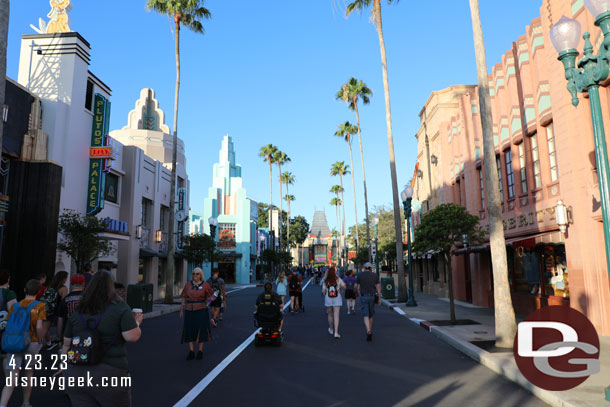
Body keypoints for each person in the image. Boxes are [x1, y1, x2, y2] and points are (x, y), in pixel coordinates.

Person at [61, 270, 142, 407]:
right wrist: (137, 323)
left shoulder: (78, 311)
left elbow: (66, 345)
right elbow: (131, 336)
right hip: (110, 373)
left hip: (76, 373)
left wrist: (64, 368)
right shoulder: (120, 308)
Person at [0, 279, 46, 407]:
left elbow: (9, 324)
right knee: (29, 372)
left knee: (11, 379)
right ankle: (26, 402)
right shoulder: (40, 306)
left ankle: (3, 404)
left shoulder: (15, 306)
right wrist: (42, 339)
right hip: (32, 343)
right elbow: (39, 327)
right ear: (38, 292)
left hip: (14, 343)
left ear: (25, 290)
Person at [180, 267, 214, 360]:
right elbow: (183, 297)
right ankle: (191, 351)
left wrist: (207, 304)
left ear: (201, 275)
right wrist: (181, 309)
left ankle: (200, 351)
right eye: (194, 274)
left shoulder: (205, 285)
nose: (195, 275)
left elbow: (212, 296)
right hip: (189, 310)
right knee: (189, 329)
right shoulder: (188, 284)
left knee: (201, 329)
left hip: (202, 310)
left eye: (197, 274)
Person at [40, 271, 68, 350]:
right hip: (56, 311)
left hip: (46, 309)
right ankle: (59, 343)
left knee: (44, 328)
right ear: (64, 279)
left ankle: (36, 344)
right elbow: (63, 302)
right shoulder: (63, 288)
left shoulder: (50, 286)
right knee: (60, 327)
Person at [355, 262, 381, 341]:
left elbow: (356, 286)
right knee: (370, 315)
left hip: (363, 296)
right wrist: (379, 299)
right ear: (370, 268)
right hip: (372, 297)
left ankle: (368, 330)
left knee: (365, 314)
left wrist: (357, 293)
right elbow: (379, 288)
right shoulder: (374, 275)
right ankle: (370, 329)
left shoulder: (360, 275)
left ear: (364, 267)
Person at [56, 274, 85, 340]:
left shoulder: (65, 300)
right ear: (83, 283)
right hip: (84, 334)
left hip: (68, 334)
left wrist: (59, 337)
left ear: (71, 283)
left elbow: (60, 321)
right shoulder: (87, 298)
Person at [321, 266, 345, 339]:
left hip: (328, 299)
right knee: (336, 315)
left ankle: (331, 329)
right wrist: (340, 289)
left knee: (330, 315)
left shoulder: (325, 280)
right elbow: (344, 286)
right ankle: (336, 332)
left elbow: (323, 291)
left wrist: (325, 293)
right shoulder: (338, 279)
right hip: (337, 298)